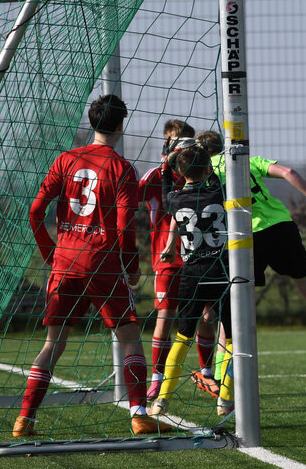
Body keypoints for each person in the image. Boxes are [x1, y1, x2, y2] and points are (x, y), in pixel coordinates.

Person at [15, 94, 171, 437]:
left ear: (92, 122)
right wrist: (131, 266)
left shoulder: (66, 159)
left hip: (64, 261)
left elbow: (34, 213)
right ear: (120, 125)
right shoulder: (122, 168)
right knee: (130, 338)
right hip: (102, 263)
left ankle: (24, 419)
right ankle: (139, 414)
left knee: (52, 344)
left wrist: (50, 253)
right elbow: (124, 225)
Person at [195, 130, 306, 384]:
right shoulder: (245, 160)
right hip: (282, 226)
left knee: (231, 309)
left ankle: (219, 378)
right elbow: (289, 173)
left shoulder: (207, 172)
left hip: (246, 237)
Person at [149, 144, 235, 417]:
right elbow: (216, 178)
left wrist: (168, 165)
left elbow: (166, 185)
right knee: (233, 340)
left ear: (179, 172)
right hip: (221, 271)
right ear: (209, 169)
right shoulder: (220, 192)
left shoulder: (174, 200)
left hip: (192, 273)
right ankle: (225, 399)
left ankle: (162, 399)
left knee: (182, 337)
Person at [138, 119, 196, 400]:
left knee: (208, 315)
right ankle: (157, 377)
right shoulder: (154, 177)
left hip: (199, 256)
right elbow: (128, 198)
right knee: (165, 316)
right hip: (167, 258)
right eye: (175, 142)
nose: (180, 148)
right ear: (166, 144)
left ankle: (208, 373)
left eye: (186, 143)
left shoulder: (199, 172)